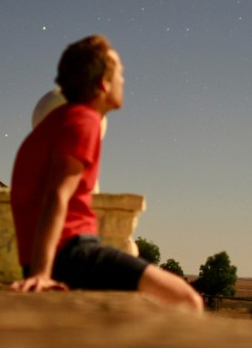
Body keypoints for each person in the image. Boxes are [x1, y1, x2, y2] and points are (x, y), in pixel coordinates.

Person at [10, 35, 204, 312]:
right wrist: (42, 273)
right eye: (120, 73)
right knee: (188, 301)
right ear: (103, 83)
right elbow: (56, 195)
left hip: (57, 255)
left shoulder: (59, 120)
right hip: (73, 254)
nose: (124, 80)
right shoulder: (84, 120)